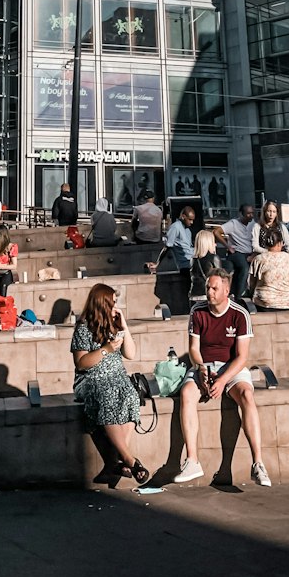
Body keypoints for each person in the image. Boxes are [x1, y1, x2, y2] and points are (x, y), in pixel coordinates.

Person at [174, 269, 271, 487]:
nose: (209, 292)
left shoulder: (239, 314)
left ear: (226, 290)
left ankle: (258, 463)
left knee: (247, 394)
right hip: (204, 366)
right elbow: (193, 349)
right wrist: (201, 369)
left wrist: (221, 380)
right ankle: (192, 460)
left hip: (232, 368)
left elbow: (242, 357)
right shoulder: (197, 311)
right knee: (187, 392)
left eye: (214, 288)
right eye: (208, 287)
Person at [70, 282, 149, 485]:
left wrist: (124, 326)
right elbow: (81, 363)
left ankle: (117, 462)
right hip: (91, 379)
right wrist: (106, 349)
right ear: (101, 304)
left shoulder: (114, 326)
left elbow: (130, 354)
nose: (115, 307)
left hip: (117, 377)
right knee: (107, 395)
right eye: (112, 303)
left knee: (131, 395)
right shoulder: (83, 329)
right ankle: (130, 460)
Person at [248, 228, 289, 310]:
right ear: (280, 243)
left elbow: (251, 283)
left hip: (266, 303)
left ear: (265, 244)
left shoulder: (259, 259)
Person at [221, 203, 256, 298]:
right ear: (241, 214)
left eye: (252, 213)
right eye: (248, 214)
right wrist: (228, 246)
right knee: (244, 268)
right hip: (237, 252)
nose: (251, 216)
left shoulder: (253, 224)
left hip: (250, 252)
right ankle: (239, 295)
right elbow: (216, 231)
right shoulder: (233, 224)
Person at [189, 228, 222, 304]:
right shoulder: (214, 258)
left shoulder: (193, 260)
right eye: (213, 242)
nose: (215, 244)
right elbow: (220, 279)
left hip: (194, 294)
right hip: (209, 295)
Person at [164, 205, 196, 278]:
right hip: (185, 265)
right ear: (183, 216)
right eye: (190, 219)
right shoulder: (175, 227)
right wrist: (157, 263)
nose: (192, 222)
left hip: (192, 261)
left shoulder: (188, 230)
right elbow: (167, 246)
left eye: (193, 220)